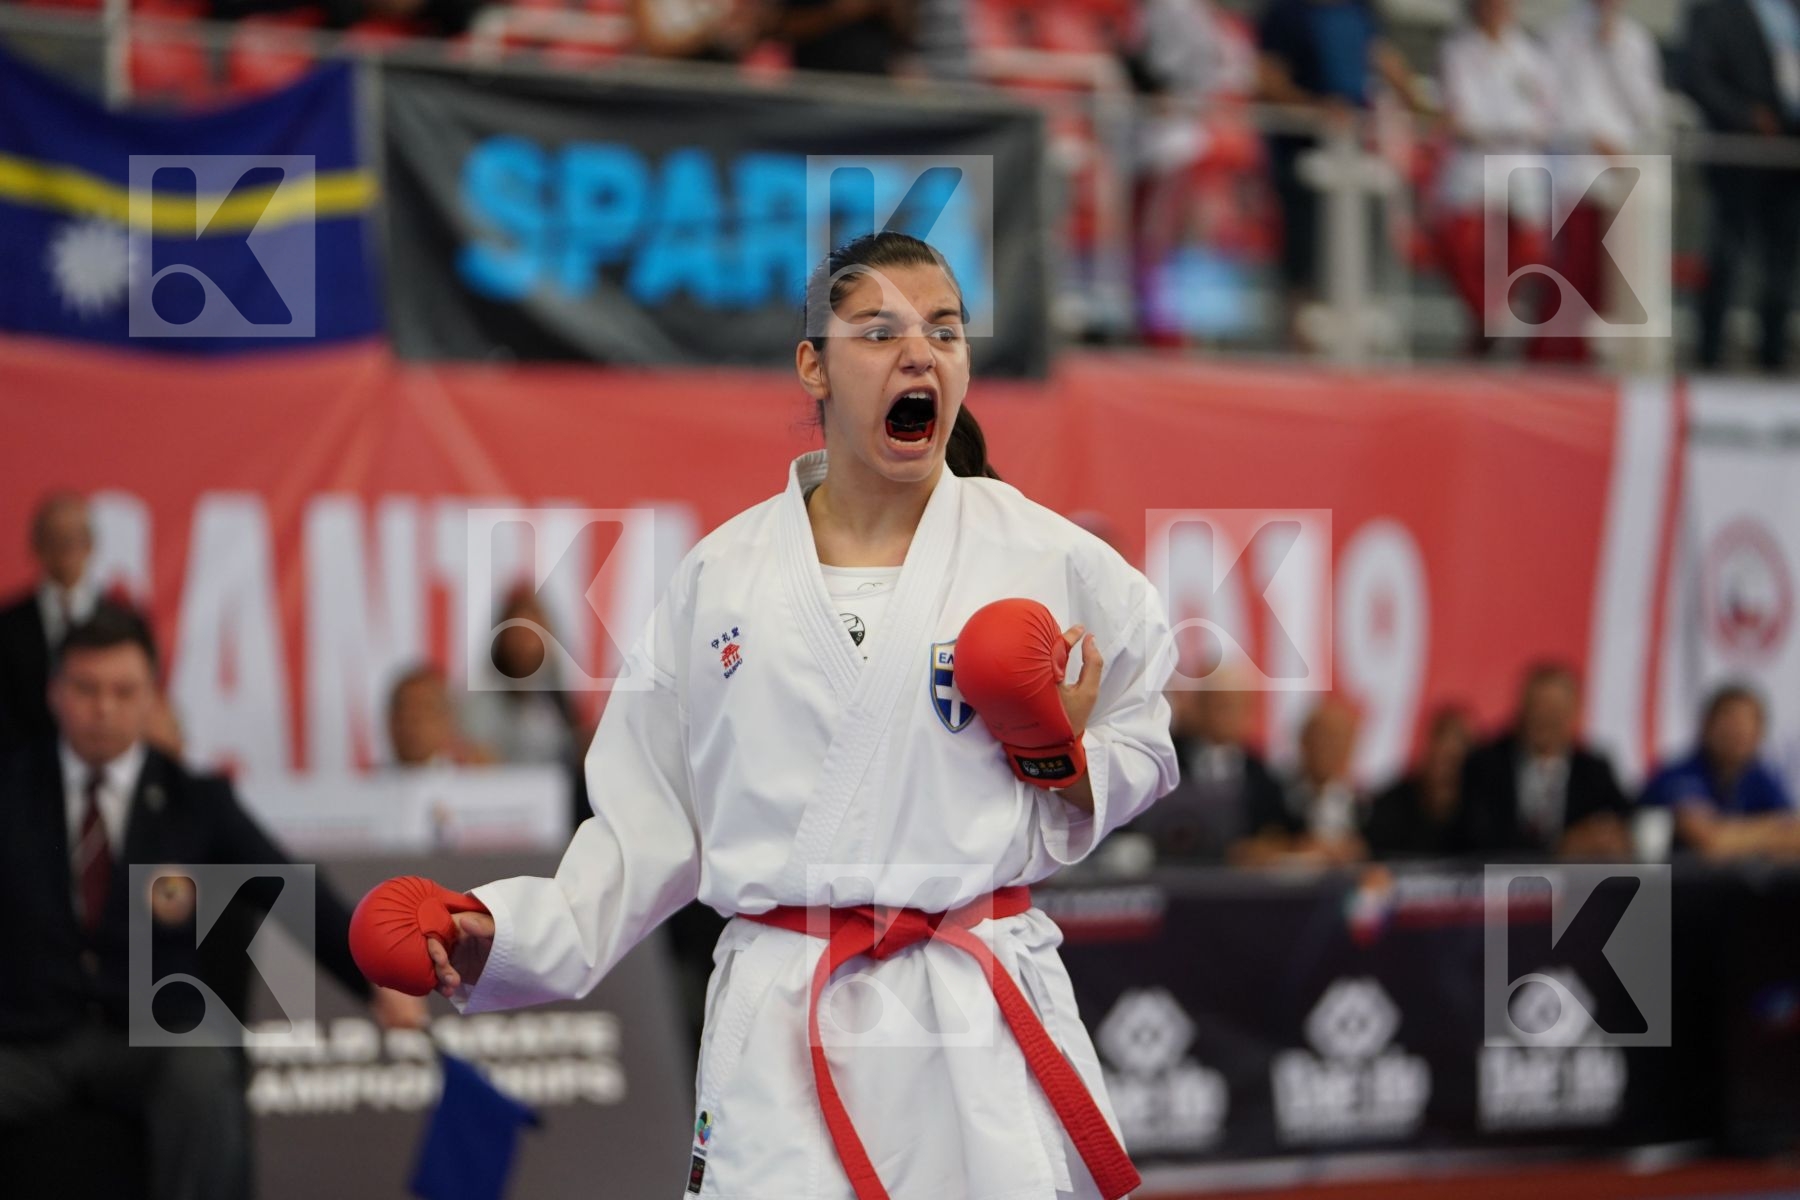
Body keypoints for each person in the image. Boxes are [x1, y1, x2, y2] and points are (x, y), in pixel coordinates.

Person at [352, 231, 1180, 1199]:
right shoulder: (723, 579)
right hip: (784, 1010)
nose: (921, 353)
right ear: (813, 367)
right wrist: (499, 932)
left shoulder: (1045, 558)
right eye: (880, 332)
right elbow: (644, 829)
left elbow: (1146, 733)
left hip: (972, 1012)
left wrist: (1062, 759)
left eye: (946, 332)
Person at [0, 603, 424, 1200]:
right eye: (85, 688)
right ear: (54, 692)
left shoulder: (193, 799)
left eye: (123, 691)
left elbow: (288, 889)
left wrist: (375, 981)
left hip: (151, 1029)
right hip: (28, 1036)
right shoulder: (11, 789)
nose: (103, 708)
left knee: (202, 1074)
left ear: (152, 696)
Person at [1254, 0, 1431, 345]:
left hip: (1354, 158)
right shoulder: (1286, 13)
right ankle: (1297, 348)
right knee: (1302, 267)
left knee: (1362, 255)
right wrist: (1315, 109)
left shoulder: (1361, 10)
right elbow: (1267, 77)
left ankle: (1356, 351)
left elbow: (1382, 57)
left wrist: (1423, 107)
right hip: (1300, 159)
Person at [1532, 0, 1666, 363]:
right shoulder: (1560, 36)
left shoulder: (1635, 42)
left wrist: (1613, 53)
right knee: (1573, 274)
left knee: (1614, 284)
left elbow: (1647, 109)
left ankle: (1593, 356)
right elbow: (1549, 107)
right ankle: (1556, 357)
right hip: (1576, 173)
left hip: (1623, 181)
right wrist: (1592, 137)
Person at [1433, 0, 1556, 356]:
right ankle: (1489, 320)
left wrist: (1496, 129)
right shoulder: (1457, 51)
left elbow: (1542, 117)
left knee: (1529, 254)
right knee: (1463, 248)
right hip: (1473, 167)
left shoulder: (1532, 54)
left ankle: (1495, 327)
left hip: (1521, 167)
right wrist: (1502, 128)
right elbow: (1461, 115)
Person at [1684, 0, 1800, 372]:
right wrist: (1747, 117)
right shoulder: (1714, 12)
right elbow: (1697, 75)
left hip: (1790, 157)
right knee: (1727, 254)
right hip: (1737, 154)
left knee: (1781, 262)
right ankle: (1710, 354)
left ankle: (1774, 355)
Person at [1455, 663, 1631, 859]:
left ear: (1573, 713)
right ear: (1521, 709)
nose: (1544, 717)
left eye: (1554, 709)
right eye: (1537, 706)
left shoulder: (1594, 771)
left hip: (1576, 887)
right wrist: (1558, 849)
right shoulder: (1485, 765)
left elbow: (1625, 825)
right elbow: (1477, 838)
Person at [1639, 684, 1800, 860]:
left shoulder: (1760, 776)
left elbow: (1794, 835)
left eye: (1746, 726)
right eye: (1731, 724)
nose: (1738, 733)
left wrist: (1734, 836)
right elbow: (1711, 842)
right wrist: (1772, 828)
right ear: (1707, 726)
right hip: (1665, 884)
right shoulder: (1680, 775)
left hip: (1737, 883)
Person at [1129, 680, 1284, 863]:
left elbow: (1278, 832)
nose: (1223, 715)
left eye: (1231, 707)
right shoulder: (1165, 757)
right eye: (1216, 705)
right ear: (1198, 707)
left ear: (1246, 713)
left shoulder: (1262, 775)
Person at [0, 491, 99, 755]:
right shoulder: (7, 625)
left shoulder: (124, 622)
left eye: (75, 538)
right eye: (54, 538)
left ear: (91, 544)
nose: (66, 547)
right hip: (19, 772)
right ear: (36, 546)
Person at [1231, 694, 1368, 867]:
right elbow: (1244, 853)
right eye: (1322, 738)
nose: (1329, 749)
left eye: (1339, 740)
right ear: (1303, 741)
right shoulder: (1271, 794)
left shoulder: (1366, 807)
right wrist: (1301, 851)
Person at [1363, 705, 1471, 858]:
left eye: (1453, 761)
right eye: (1441, 759)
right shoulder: (1389, 806)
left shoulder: (1485, 811)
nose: (1446, 771)